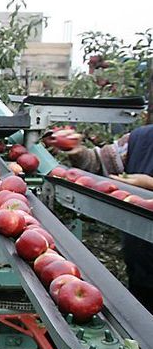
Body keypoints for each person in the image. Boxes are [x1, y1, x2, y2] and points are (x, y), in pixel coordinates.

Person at [65, 125, 153, 311]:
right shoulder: (140, 139)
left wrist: (149, 186)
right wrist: (77, 151)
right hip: (143, 267)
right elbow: (99, 165)